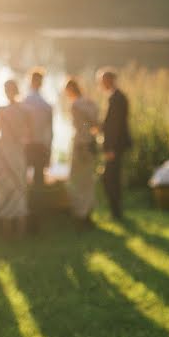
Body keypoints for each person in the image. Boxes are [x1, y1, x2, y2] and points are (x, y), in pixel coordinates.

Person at [0, 79, 31, 237]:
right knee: (19, 188)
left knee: (4, 188)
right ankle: (21, 230)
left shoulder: (1, 110)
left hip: (4, 153)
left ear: (6, 91)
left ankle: (6, 231)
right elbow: (28, 134)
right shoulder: (25, 111)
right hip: (18, 153)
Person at [64, 78, 99, 229]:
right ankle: (88, 211)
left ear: (70, 90)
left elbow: (85, 123)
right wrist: (92, 128)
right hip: (91, 143)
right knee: (88, 179)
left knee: (77, 179)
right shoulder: (90, 102)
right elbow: (95, 122)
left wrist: (86, 127)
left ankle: (80, 214)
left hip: (81, 144)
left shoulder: (76, 105)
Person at [98, 68, 131, 221]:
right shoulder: (118, 97)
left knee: (109, 178)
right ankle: (116, 212)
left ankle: (116, 212)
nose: (100, 84)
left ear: (109, 80)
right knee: (112, 177)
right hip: (117, 146)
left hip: (115, 147)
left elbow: (115, 126)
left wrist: (110, 148)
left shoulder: (116, 99)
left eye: (102, 81)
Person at [22, 68, 53, 231]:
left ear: (30, 81)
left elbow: (21, 128)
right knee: (39, 182)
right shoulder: (46, 105)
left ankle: (25, 215)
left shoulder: (25, 102)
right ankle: (37, 218)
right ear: (41, 83)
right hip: (41, 147)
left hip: (27, 147)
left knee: (24, 180)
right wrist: (49, 150)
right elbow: (50, 132)